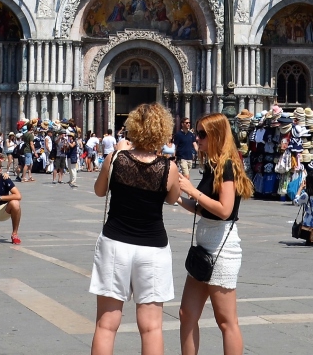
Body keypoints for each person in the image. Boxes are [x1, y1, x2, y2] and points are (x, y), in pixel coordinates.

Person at [90, 104, 181, 355]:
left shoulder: (116, 159)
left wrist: (117, 155)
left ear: (133, 127)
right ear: (163, 130)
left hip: (115, 243)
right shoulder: (169, 167)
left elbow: (99, 191)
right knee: (151, 327)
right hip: (153, 248)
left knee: (106, 325)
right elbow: (172, 199)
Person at [176, 113, 253, 355]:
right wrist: (176, 197)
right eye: (197, 133)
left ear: (216, 136)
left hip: (223, 249)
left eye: (201, 134)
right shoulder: (212, 166)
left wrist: (191, 191)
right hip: (204, 247)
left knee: (226, 321)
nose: (196, 139)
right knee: (186, 314)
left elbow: (224, 210)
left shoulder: (228, 165)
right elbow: (202, 208)